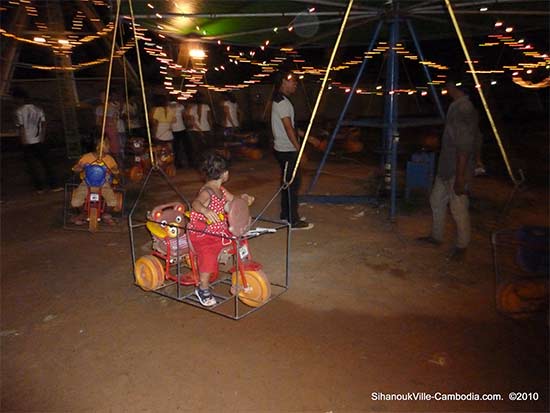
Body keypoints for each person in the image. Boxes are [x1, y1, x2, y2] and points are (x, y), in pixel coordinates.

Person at [417, 80, 481, 261]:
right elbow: (477, 138)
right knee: (436, 200)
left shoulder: (463, 110)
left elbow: (464, 147)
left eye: (448, 85)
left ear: (454, 87)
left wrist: (460, 177)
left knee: (458, 208)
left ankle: (462, 246)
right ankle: (436, 237)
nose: (446, 89)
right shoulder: (456, 107)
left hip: (456, 169)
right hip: (447, 167)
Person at [187, 152, 254, 306]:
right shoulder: (206, 191)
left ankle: (243, 267)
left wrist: (244, 199)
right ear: (225, 174)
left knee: (239, 239)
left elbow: (233, 201)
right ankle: (202, 288)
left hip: (218, 229)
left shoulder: (221, 190)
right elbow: (196, 203)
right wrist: (205, 211)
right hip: (202, 232)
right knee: (208, 254)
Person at [271, 70, 313, 230]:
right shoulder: (281, 102)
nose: (295, 84)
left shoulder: (282, 100)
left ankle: (285, 214)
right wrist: (299, 151)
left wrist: (309, 138)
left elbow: (292, 127)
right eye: (293, 82)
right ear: (283, 82)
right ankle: (292, 220)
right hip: (286, 150)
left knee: (287, 182)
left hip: (284, 148)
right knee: (292, 184)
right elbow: (289, 129)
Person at [13, 88, 63, 194]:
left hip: (27, 140)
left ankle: (40, 187)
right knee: (46, 163)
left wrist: (23, 140)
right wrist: (42, 137)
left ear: (19, 99)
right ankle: (54, 185)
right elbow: (44, 124)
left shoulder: (19, 111)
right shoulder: (38, 109)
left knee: (32, 166)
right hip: (39, 139)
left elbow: (21, 127)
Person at [70, 139, 120, 225]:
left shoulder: (109, 159)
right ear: (99, 147)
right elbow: (78, 166)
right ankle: (83, 213)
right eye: (107, 145)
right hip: (87, 182)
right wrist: (78, 167)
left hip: (103, 183)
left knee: (113, 202)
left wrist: (114, 170)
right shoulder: (87, 157)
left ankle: (106, 214)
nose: (109, 147)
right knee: (75, 202)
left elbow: (115, 169)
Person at [95, 92, 121, 161]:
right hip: (103, 131)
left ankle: (117, 165)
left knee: (115, 150)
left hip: (111, 131)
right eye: (101, 96)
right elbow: (97, 121)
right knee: (102, 149)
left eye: (104, 96)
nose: (102, 98)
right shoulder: (99, 108)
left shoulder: (113, 108)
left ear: (108, 97)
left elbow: (115, 120)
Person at [170, 99, 190, 168]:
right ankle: (185, 162)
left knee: (175, 147)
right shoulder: (180, 106)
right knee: (184, 146)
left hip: (172, 129)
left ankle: (176, 162)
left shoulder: (168, 107)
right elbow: (185, 116)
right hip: (181, 128)